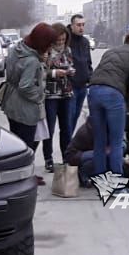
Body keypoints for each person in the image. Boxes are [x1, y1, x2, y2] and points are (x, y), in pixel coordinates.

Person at [1, 22, 59, 184]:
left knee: (17, 142)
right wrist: (39, 96)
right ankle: (24, 177)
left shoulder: (16, 49)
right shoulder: (31, 60)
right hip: (25, 107)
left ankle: (20, 175)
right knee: (27, 145)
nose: (50, 47)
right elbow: (25, 86)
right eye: (49, 44)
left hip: (10, 102)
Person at [87, 30, 129, 185]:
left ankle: (101, 182)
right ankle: (117, 186)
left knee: (99, 141)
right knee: (116, 142)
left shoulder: (110, 51)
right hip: (113, 95)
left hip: (93, 91)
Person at [41, 23, 75, 173]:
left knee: (66, 127)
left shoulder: (68, 50)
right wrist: (55, 73)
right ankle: (48, 159)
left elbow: (71, 64)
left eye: (63, 39)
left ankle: (66, 158)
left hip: (66, 93)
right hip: (50, 95)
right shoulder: (46, 51)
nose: (60, 42)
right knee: (49, 128)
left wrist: (71, 71)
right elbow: (41, 72)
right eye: (58, 40)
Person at [66, 14, 93, 130]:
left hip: (83, 86)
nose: (81, 28)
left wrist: (90, 78)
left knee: (75, 116)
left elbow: (88, 63)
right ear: (72, 26)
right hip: (70, 87)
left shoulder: (85, 42)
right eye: (78, 25)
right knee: (69, 118)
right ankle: (67, 146)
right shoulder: (66, 41)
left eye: (83, 25)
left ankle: (69, 144)